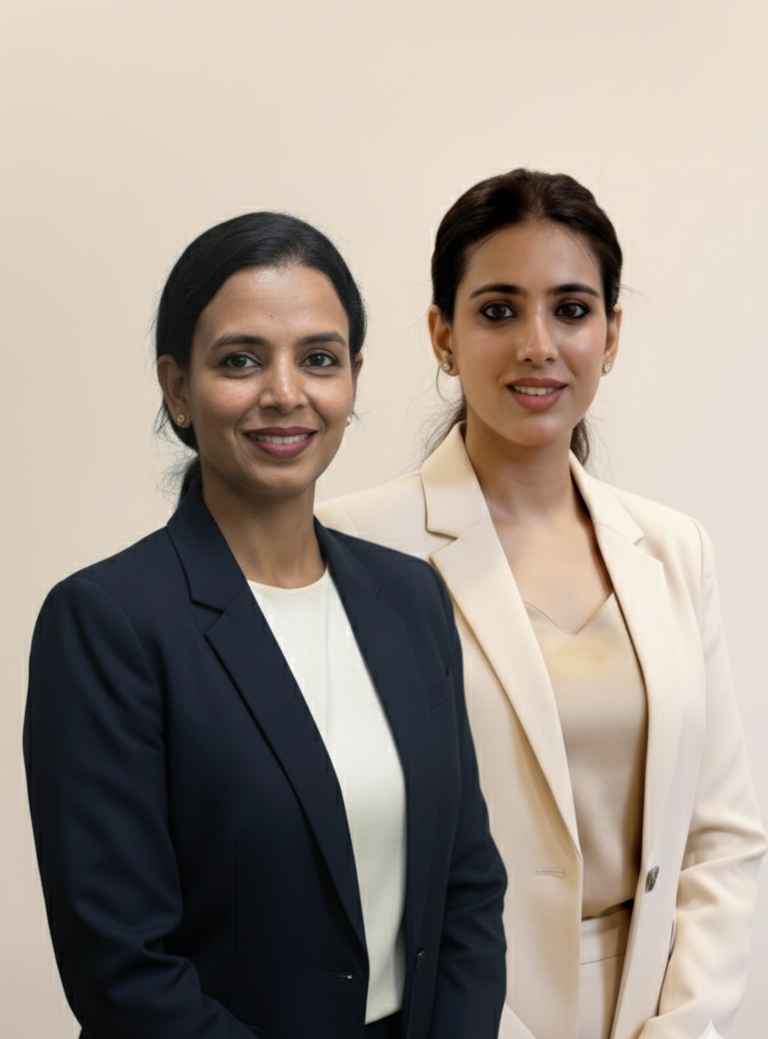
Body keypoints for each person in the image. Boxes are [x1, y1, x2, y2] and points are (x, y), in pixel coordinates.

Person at [23, 212, 507, 1039]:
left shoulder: (411, 600)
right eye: (240, 360)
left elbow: (466, 882)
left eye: (318, 359)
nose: (285, 393)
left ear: (352, 378)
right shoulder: (108, 622)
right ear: (177, 387)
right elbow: (122, 964)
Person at [317, 170, 766, 1039]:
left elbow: (722, 834)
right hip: (455, 1012)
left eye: (570, 308)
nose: (538, 344)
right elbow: (349, 844)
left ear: (612, 331)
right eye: (497, 310)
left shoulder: (675, 549)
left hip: (648, 1008)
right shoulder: (352, 548)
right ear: (443, 337)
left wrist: (684, 1024)